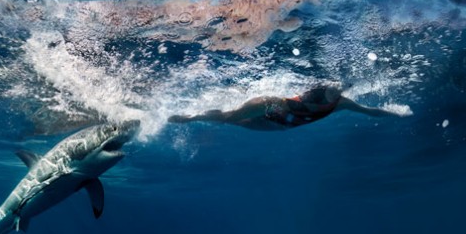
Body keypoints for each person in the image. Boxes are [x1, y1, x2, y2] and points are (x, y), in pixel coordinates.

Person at [168, 85, 407, 131]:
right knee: (229, 118)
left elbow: (369, 111)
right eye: (305, 100)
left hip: (277, 128)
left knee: (234, 121)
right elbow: (235, 114)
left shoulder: (340, 103)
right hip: (267, 115)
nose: (307, 103)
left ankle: (196, 117)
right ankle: (191, 118)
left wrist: (394, 112)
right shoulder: (274, 102)